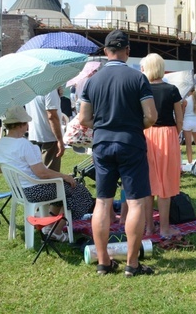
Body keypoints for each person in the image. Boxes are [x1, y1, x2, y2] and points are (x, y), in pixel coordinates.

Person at [79, 30, 158, 277]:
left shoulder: (92, 80)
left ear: (105, 51)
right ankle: (132, 264)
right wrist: (135, 126)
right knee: (135, 202)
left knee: (102, 202)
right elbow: (151, 116)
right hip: (130, 142)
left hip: (102, 143)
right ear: (128, 51)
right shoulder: (138, 78)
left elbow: (83, 118)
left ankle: (103, 261)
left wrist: (103, 126)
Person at [0, 107, 92, 241]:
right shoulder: (23, 144)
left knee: (64, 188)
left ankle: (49, 225)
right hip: (35, 190)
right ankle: (56, 231)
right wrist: (65, 176)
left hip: (19, 191)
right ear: (21, 124)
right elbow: (41, 173)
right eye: (26, 123)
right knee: (80, 192)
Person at [140, 53, 183, 238]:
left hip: (147, 134)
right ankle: (164, 228)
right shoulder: (172, 89)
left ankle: (149, 227)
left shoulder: (142, 89)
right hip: (167, 135)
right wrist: (174, 133)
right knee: (165, 184)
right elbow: (179, 120)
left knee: (148, 184)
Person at [25, 90, 65, 172]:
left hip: (34, 134)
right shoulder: (50, 90)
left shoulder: (31, 88)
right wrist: (59, 140)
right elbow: (52, 116)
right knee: (50, 174)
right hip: (49, 136)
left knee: (37, 173)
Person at [181, 87, 196, 163]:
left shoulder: (185, 101)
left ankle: (190, 162)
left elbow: (182, 113)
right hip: (195, 122)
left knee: (188, 144)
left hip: (187, 122)